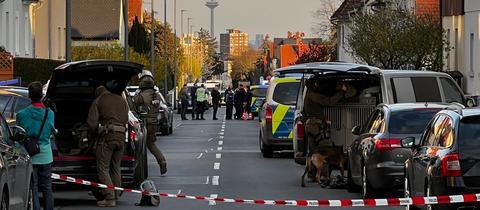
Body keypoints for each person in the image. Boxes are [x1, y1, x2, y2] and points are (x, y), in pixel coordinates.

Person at [87, 85, 129, 207]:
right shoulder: (121, 99)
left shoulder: (98, 100)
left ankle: (109, 197)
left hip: (107, 137)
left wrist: (95, 132)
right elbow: (126, 118)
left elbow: (92, 123)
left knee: (103, 168)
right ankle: (116, 194)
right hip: (121, 137)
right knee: (115, 167)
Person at [17, 81, 56, 210]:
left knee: (32, 186)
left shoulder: (21, 114)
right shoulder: (49, 113)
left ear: (29, 95)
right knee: (47, 187)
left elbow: (19, 133)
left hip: (30, 154)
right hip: (45, 155)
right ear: (41, 96)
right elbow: (52, 130)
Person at [133, 75, 167, 175]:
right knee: (151, 144)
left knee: (139, 147)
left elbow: (133, 106)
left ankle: (139, 168)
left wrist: (137, 94)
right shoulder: (157, 95)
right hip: (154, 123)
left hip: (144, 124)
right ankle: (162, 161)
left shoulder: (141, 96)